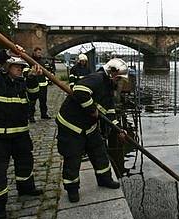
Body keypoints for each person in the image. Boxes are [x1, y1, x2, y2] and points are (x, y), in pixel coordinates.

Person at [0, 46, 43, 219]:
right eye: (17, 67)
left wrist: (31, 79)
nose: (20, 69)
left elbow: (34, 96)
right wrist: (5, 53)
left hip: (20, 132)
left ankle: (26, 188)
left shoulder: (22, 82)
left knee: (25, 163)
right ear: (6, 67)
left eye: (22, 68)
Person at [55, 58, 128, 202]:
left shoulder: (108, 87)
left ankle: (104, 179)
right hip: (72, 125)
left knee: (99, 152)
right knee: (73, 157)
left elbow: (109, 110)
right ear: (112, 73)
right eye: (119, 78)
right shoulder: (97, 78)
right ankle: (72, 189)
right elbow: (80, 91)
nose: (120, 82)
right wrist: (92, 108)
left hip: (89, 126)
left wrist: (118, 128)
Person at [28, 47, 52, 122]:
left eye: (40, 53)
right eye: (38, 52)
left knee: (43, 101)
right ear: (34, 52)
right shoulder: (30, 61)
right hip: (35, 85)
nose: (39, 54)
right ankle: (31, 116)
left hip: (43, 85)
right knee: (32, 101)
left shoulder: (42, 61)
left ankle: (44, 114)